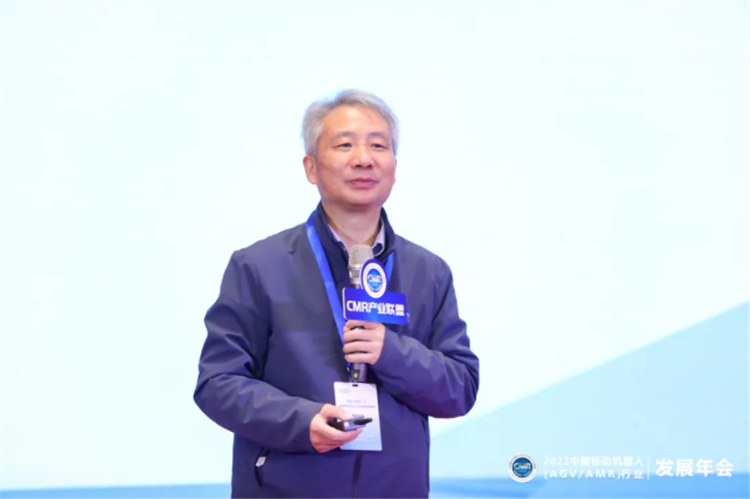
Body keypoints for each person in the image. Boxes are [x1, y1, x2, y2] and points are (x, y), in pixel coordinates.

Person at [194, 89, 479, 498]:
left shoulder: (428, 272)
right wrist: (298, 421)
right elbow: (218, 383)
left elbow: (460, 389)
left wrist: (392, 353)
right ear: (311, 167)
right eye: (345, 145)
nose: (363, 158)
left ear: (394, 166)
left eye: (378, 145)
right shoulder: (258, 266)